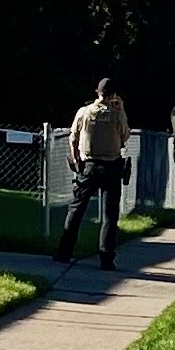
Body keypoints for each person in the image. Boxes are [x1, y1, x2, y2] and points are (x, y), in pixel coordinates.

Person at [57, 79, 132, 267]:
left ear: (96, 92)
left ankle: (64, 252)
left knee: (76, 209)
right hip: (111, 166)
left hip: (88, 165)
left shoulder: (84, 112)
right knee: (110, 213)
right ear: (113, 95)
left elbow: (73, 137)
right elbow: (125, 135)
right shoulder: (116, 114)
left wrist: (76, 160)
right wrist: (121, 109)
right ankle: (106, 257)